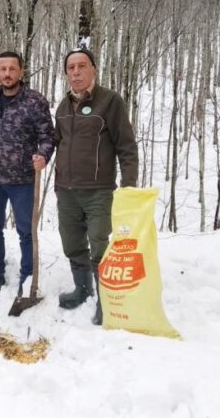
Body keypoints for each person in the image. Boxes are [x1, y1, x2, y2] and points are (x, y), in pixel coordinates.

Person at [53, 48, 138, 325]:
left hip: (98, 190)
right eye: (71, 68)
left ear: (93, 69)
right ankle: (82, 288)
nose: (76, 72)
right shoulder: (63, 107)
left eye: (81, 66)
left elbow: (126, 146)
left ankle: (106, 301)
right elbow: (55, 141)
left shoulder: (110, 102)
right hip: (66, 190)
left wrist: (128, 186)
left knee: (100, 244)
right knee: (72, 242)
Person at [0, 51, 54, 294]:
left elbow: (47, 135)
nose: (7, 74)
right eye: (3, 69)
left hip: (23, 179)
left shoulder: (35, 101)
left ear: (21, 72)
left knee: (25, 230)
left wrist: (43, 155)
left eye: (13, 69)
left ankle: (28, 276)